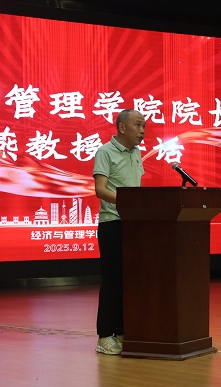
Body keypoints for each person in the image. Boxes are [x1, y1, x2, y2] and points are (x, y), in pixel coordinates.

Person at [92, 109, 146, 355]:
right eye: (138, 125)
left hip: (133, 224)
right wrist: (129, 203)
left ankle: (123, 331)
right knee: (113, 281)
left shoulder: (136, 152)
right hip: (112, 223)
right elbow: (100, 189)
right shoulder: (105, 152)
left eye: (144, 126)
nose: (142, 131)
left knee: (130, 281)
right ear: (122, 127)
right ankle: (105, 336)